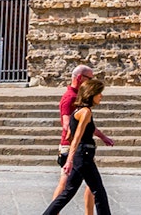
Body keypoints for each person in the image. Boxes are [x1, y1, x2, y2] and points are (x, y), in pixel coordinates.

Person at [43, 79, 111, 215]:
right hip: (84, 154)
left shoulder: (77, 111)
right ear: (91, 94)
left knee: (68, 192)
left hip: (81, 155)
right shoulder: (86, 112)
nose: (101, 96)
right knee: (98, 191)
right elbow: (77, 136)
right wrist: (70, 159)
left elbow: (69, 135)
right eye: (99, 93)